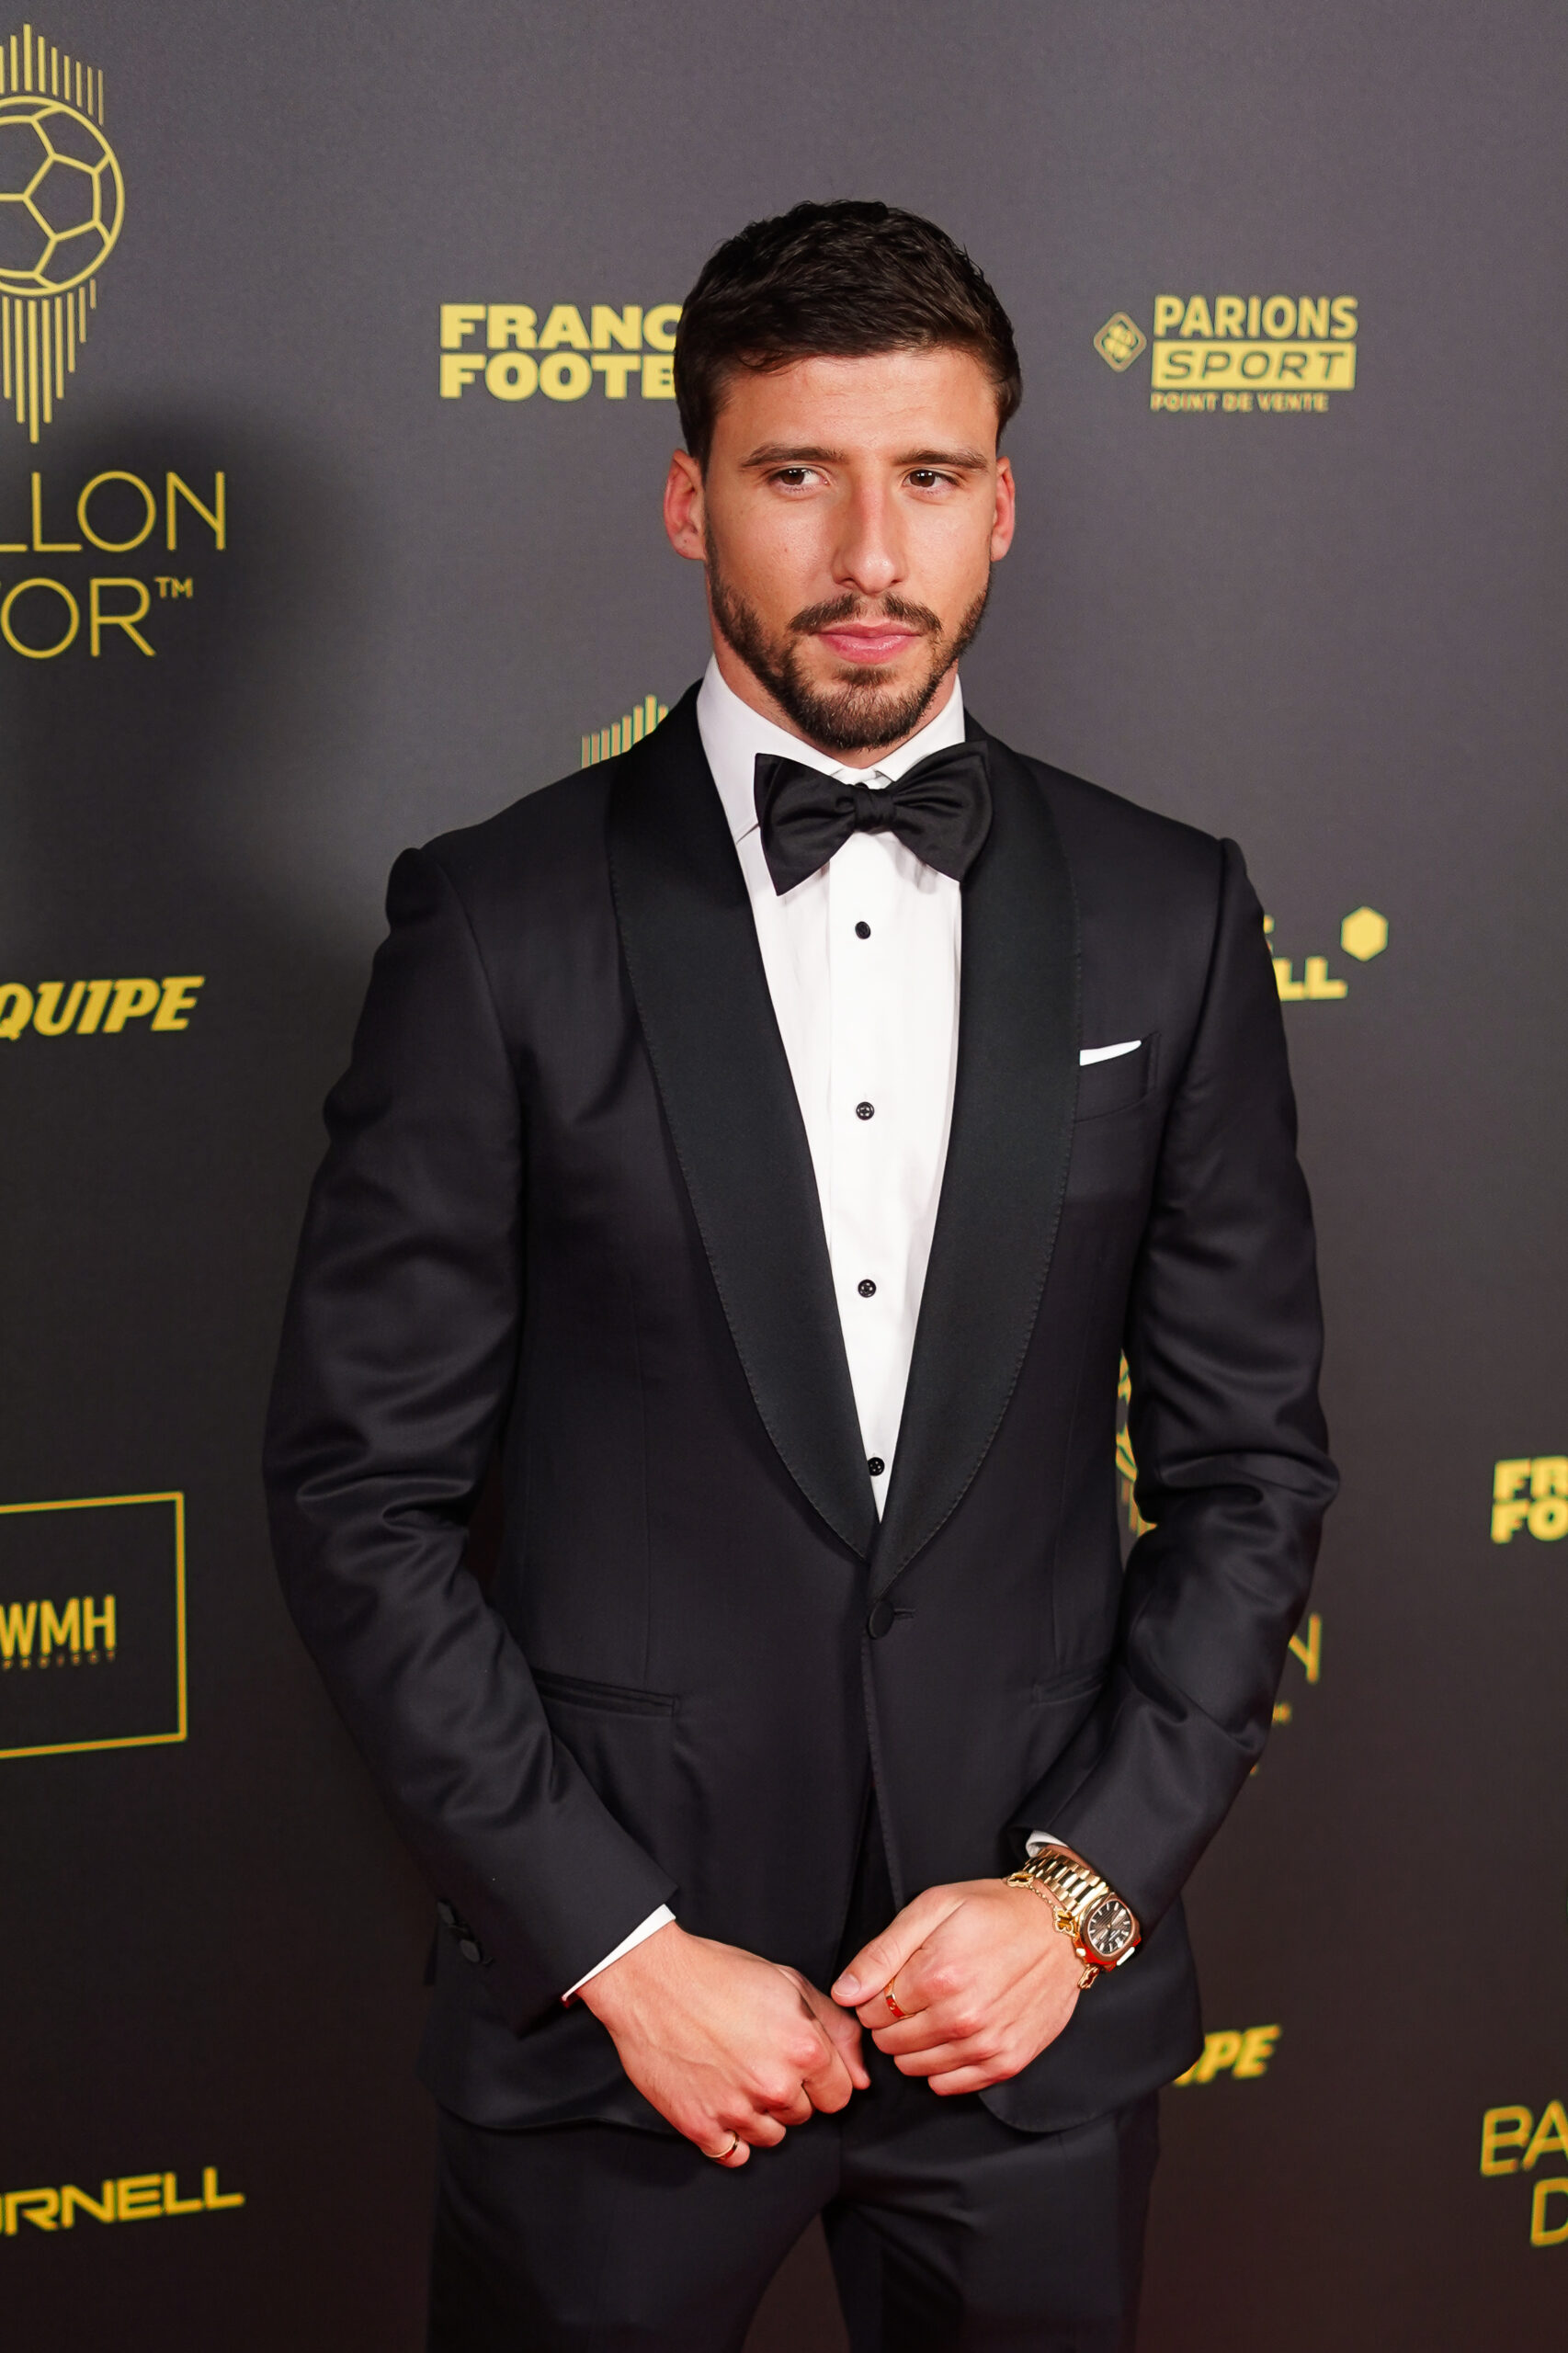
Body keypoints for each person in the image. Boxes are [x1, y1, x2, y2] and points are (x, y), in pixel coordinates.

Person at [264, 199, 1335, 2351]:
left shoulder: (1169, 911)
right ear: (687, 499)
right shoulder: (496, 927)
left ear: (1000, 505)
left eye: (927, 477)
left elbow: (1250, 1475)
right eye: (794, 474)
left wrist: (1076, 1898)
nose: (868, 551)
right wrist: (620, 1948)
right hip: (616, 2037)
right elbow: (358, 1499)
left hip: (1026, 2022)